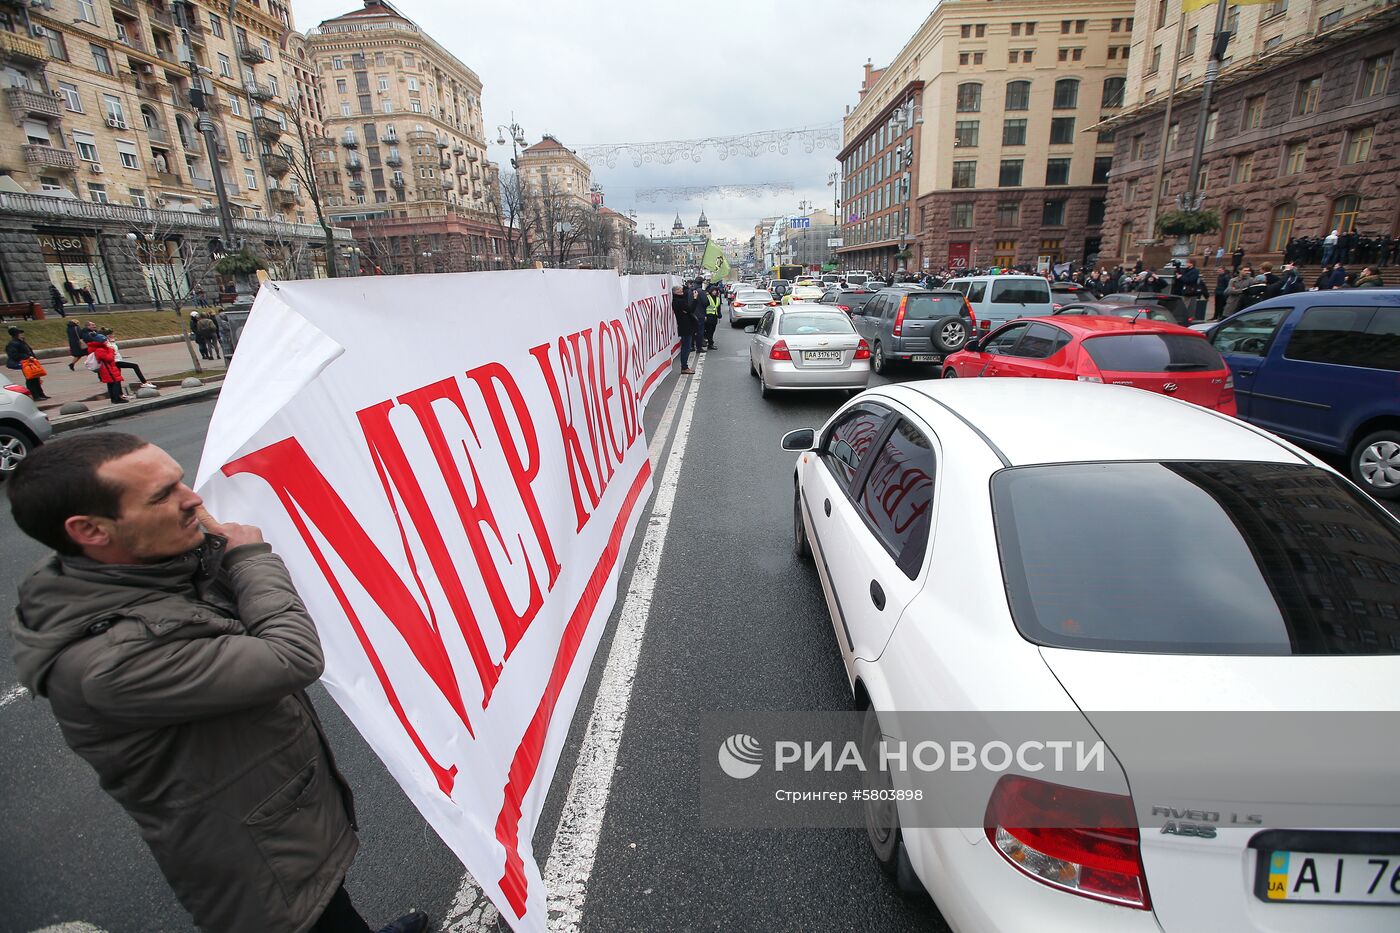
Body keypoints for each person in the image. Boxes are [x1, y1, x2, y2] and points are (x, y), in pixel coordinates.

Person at [8, 434, 431, 933]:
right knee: (311, 919)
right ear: (89, 530)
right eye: (163, 495)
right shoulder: (109, 662)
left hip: (281, 820)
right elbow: (291, 656)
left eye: (179, 480)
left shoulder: (124, 566)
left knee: (329, 905)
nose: (192, 498)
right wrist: (249, 557)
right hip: (255, 854)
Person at [5, 326, 49, 399]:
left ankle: (41, 394)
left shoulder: (21, 342)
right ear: (15, 334)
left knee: (36, 377)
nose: (22, 334)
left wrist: (33, 358)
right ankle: (35, 395)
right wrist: (27, 357)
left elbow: (29, 351)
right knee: (30, 379)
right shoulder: (13, 343)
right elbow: (13, 355)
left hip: (30, 362)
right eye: (20, 333)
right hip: (24, 363)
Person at [84, 334, 127, 405]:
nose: (107, 342)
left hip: (109, 368)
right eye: (105, 341)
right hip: (107, 369)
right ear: (101, 342)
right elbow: (109, 358)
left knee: (111, 383)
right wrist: (111, 350)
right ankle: (116, 399)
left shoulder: (101, 348)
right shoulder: (100, 349)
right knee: (115, 382)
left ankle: (114, 398)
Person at [672, 284, 696, 375]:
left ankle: (685, 366)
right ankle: (684, 367)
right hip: (685, 326)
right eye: (680, 290)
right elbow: (691, 309)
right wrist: (695, 299)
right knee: (686, 347)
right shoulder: (679, 302)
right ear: (676, 292)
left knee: (686, 346)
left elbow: (687, 310)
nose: (682, 292)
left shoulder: (677, 300)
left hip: (684, 326)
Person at [703, 284, 723, 350]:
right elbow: (704, 307)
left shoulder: (717, 298)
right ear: (710, 291)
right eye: (713, 291)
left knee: (712, 330)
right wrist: (705, 315)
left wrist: (719, 314)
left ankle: (709, 342)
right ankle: (710, 343)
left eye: (716, 291)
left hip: (715, 316)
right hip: (708, 316)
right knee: (709, 330)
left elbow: (718, 307)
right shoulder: (707, 297)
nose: (714, 292)